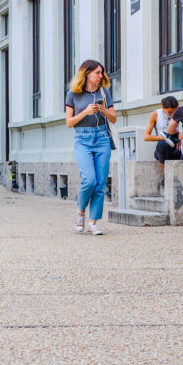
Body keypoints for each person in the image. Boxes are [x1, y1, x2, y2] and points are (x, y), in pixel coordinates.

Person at [65, 59, 117, 236]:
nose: (100, 76)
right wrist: (86, 112)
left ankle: (93, 222)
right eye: (97, 73)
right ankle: (80, 212)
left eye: (101, 72)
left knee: (101, 183)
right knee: (89, 179)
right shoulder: (73, 94)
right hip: (82, 138)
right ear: (87, 74)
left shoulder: (105, 92)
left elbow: (114, 118)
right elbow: (69, 122)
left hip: (102, 137)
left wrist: (103, 109)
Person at [144, 96, 182, 165]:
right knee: (162, 144)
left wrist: (180, 137)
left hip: (175, 147)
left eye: (174, 112)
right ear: (162, 107)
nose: (172, 114)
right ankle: (165, 174)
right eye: (170, 112)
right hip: (162, 147)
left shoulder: (179, 112)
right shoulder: (155, 114)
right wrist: (163, 137)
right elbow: (146, 137)